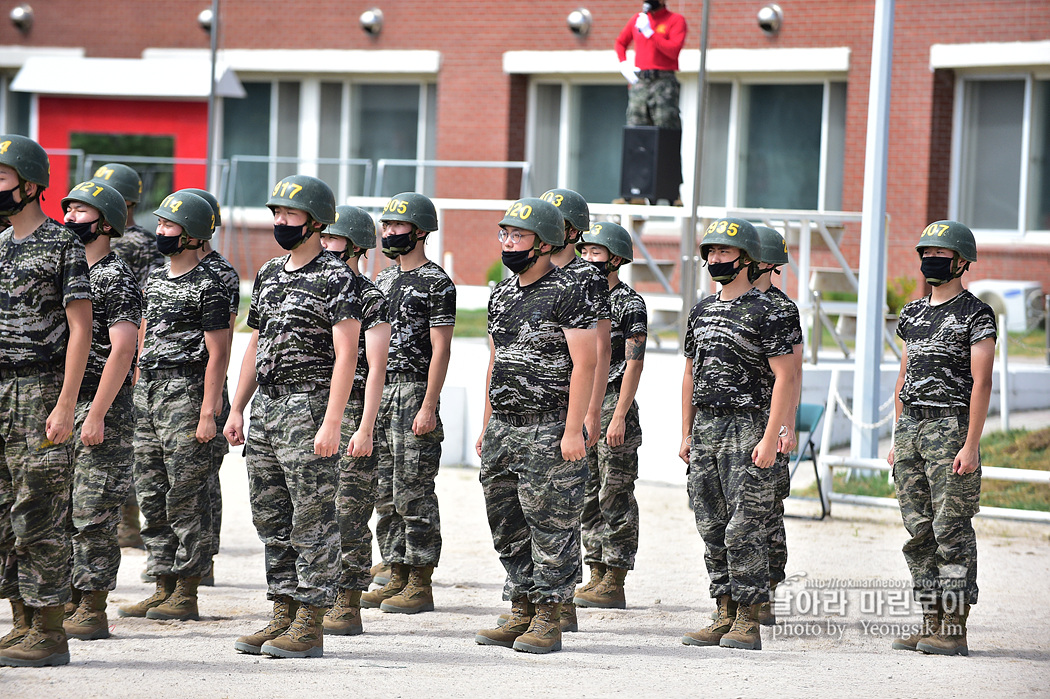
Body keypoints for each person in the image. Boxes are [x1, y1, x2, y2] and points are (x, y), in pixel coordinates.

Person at [225, 175, 360, 659]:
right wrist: (237, 405)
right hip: (266, 408)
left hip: (309, 406)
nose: (280, 221)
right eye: (276, 213)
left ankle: (310, 621)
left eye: (291, 214)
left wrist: (332, 420)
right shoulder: (267, 272)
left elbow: (348, 354)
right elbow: (255, 344)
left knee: (313, 518)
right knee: (271, 516)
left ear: (316, 221)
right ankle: (281, 610)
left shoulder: (336, 276)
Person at [474, 197, 597, 655]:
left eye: (518, 235)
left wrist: (573, 429)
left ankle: (549, 615)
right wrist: (488, 424)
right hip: (505, 425)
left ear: (545, 243)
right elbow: (496, 361)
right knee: (506, 522)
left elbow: (585, 363)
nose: (508, 242)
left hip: (548, 425)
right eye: (504, 233)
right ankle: (522, 604)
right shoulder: (502, 292)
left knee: (551, 524)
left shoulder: (568, 289)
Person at [678, 217, 796, 652]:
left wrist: (772, 436)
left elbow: (786, 377)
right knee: (710, 522)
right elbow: (691, 373)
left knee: (745, 526)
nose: (714, 259)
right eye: (710, 252)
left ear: (746, 259)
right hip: (707, 427)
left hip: (749, 425)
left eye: (724, 253)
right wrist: (686, 432)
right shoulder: (702, 310)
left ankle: (748, 619)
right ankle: (724, 610)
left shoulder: (770, 312)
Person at [0, 134, 92, 668]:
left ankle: (50, 628)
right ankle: (20, 619)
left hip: (39, 390)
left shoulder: (62, 245)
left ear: (30, 186)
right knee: (2, 509)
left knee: (39, 508)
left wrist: (65, 403)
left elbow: (80, 330)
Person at [116, 190, 229, 624]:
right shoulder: (158, 277)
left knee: (187, 495)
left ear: (195, 233)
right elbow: (145, 331)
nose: (160, 231)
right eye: (159, 224)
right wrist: (139, 382)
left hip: (188, 393)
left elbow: (218, 352)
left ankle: (186, 589)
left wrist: (207, 411)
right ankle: (161, 581)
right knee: (151, 489)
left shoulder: (213, 280)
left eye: (169, 225)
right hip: (149, 395)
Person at [889, 220, 995, 657]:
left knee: (950, 528)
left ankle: (954, 627)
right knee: (918, 532)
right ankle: (930, 620)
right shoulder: (912, 314)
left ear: (962, 262)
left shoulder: (977, 314)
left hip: (950, 429)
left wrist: (971, 445)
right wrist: (897, 434)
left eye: (941, 254)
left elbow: (982, 381)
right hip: (911, 429)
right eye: (926, 253)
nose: (931, 260)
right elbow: (904, 374)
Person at [362, 193, 455, 615]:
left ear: (420, 231)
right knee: (383, 489)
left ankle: (420, 581)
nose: (388, 233)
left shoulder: (437, 283)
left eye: (397, 226)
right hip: (380, 392)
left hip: (414, 390)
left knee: (413, 490)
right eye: (385, 226)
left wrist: (429, 404)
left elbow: (441, 349)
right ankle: (395, 572)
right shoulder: (381, 280)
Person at [60, 180, 140, 642]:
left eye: (82, 212)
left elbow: (123, 348)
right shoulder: (67, 270)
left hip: (100, 403)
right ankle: (64, 596)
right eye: (67, 211)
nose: (70, 218)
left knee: (93, 510)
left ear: (106, 224)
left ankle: (91, 606)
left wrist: (96, 414)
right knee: (62, 507)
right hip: (64, 400)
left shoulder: (115, 275)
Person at [540, 187, 611, 631]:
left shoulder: (586, 277)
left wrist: (591, 413)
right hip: (534, 404)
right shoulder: (533, 275)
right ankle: (538, 597)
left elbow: (599, 352)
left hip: (569, 405)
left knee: (564, 505)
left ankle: (560, 602)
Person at [318, 205, 390, 636]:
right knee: (311, 511)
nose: (325, 245)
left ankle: (347, 600)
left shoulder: (369, 294)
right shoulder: (313, 286)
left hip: (353, 413)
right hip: (312, 411)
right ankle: (313, 595)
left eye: (335, 239)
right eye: (323, 238)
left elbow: (377, 368)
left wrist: (365, 429)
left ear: (357, 246)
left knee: (349, 511)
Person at [572, 222, 647, 610]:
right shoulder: (583, 298)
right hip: (584, 404)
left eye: (595, 253)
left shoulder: (628, 302)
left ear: (615, 259)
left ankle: (614, 578)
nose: (586, 258)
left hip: (614, 402)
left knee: (614, 491)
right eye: (583, 251)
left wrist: (617, 416)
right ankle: (595, 569)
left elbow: (633, 364)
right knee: (586, 491)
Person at [92, 162, 163, 550]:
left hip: (115, 345)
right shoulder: (147, 242)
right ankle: (127, 523)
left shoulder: (128, 243)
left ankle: (125, 523)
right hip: (125, 343)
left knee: (118, 439)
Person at [183, 187, 239, 587]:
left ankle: (202, 561)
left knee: (202, 480)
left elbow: (224, 343)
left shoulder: (220, 274)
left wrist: (214, 402)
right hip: (167, 387)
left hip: (205, 384)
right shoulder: (174, 269)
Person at [748, 226, 803, 627]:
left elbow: (793, 374)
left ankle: (767, 585)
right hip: (734, 422)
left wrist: (787, 426)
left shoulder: (784, 310)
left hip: (769, 422)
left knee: (768, 509)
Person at [614, 0, 688, 130]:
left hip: (663, 81)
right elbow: (620, 42)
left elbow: (673, 51)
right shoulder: (638, 19)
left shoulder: (675, 20)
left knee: (665, 125)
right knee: (636, 127)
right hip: (641, 81)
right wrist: (623, 63)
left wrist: (650, 33)